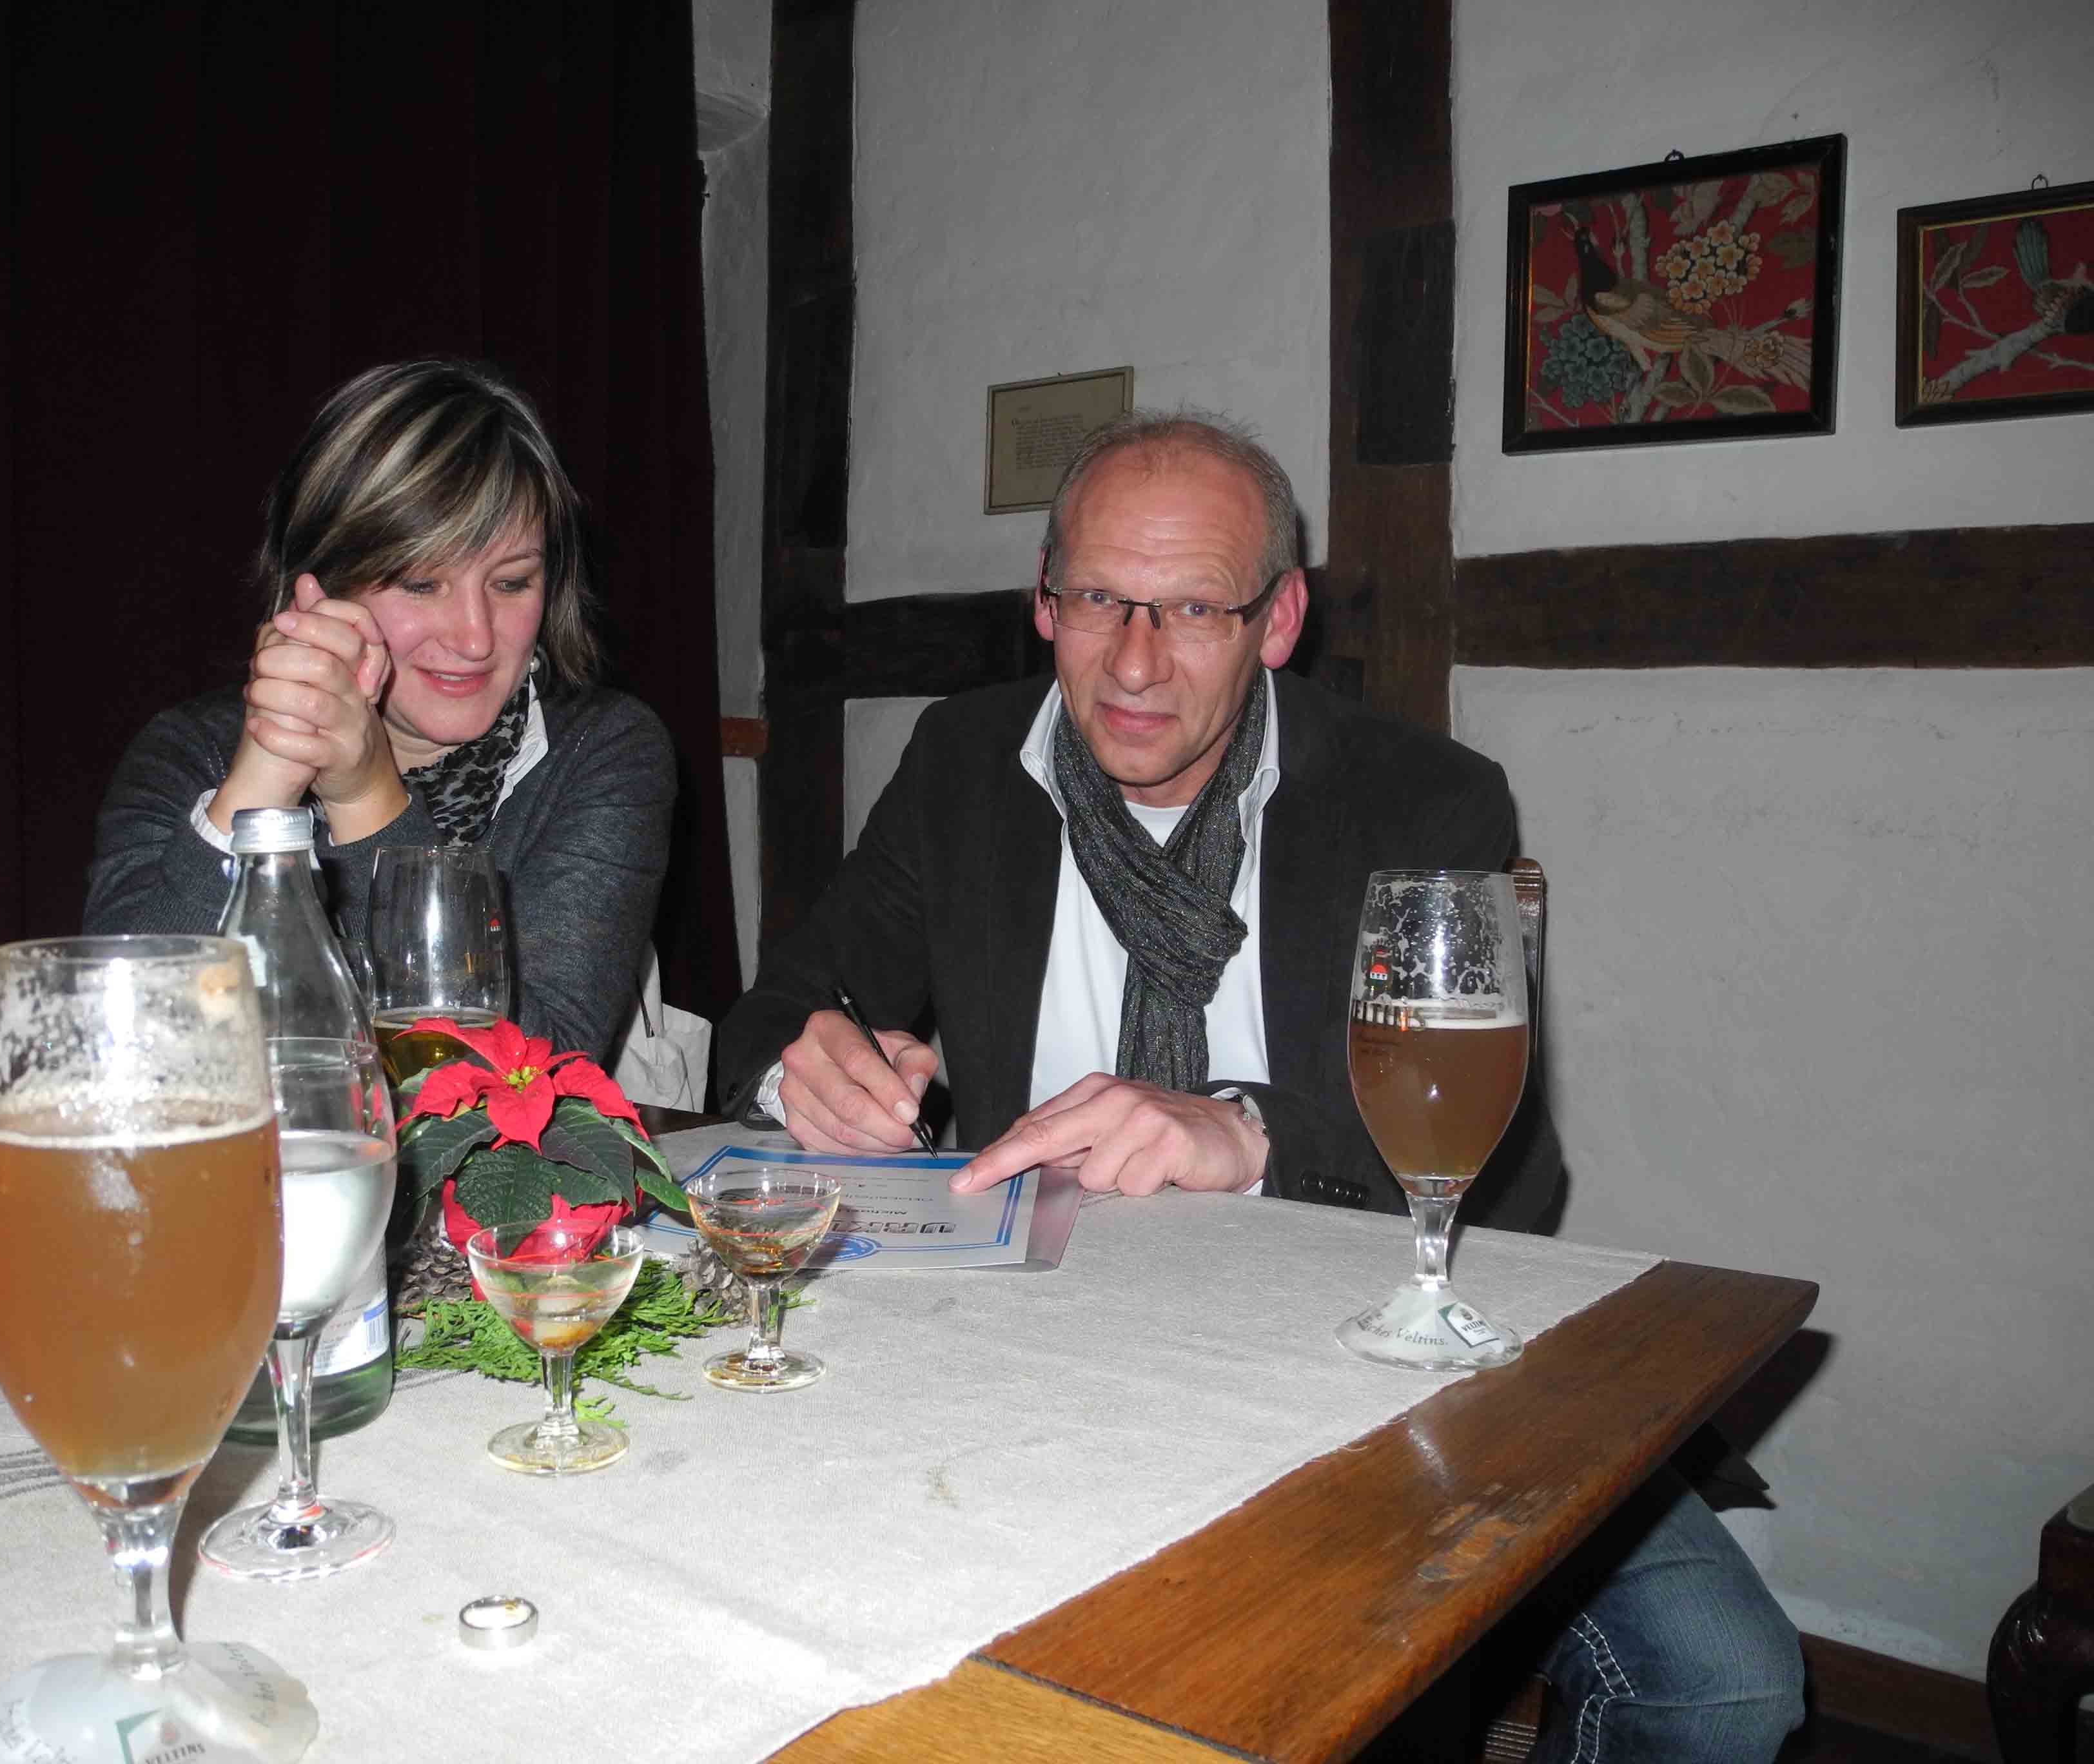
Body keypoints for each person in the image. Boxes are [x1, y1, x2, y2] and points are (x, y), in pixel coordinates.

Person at [715, 412, 1803, 1763]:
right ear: (1042, 603)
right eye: (1098, 600)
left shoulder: (1422, 797)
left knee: (1720, 1680)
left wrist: (1247, 1132)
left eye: (1193, 609)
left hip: (1350, 1347)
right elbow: (774, 1012)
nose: (1133, 662)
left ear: (1278, 620)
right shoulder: (963, 762)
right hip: (1027, 1345)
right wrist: (808, 1072)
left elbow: (1514, 1170)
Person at [86, 358, 674, 1062]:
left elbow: (530, 1076)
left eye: (512, 583)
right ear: (320, 587)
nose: (475, 638)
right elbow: (117, 1051)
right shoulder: (191, 752)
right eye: (422, 584)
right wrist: (268, 771)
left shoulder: (604, 750)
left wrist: (366, 797)